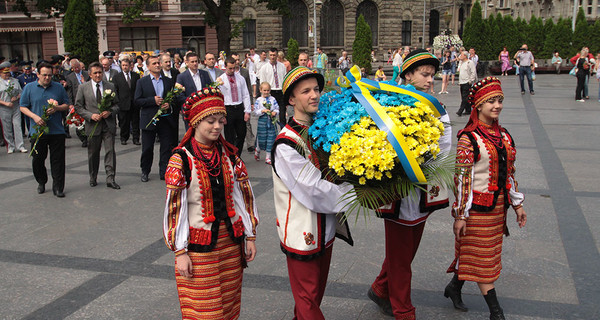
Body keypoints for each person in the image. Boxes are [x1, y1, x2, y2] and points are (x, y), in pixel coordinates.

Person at [368, 49, 452, 319]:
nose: (430, 80)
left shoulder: (436, 106)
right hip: (397, 190)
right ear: (407, 74)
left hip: (423, 186)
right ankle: (403, 309)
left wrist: (425, 160)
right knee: (401, 255)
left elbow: (445, 143)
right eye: (424, 74)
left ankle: (381, 287)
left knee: (408, 248)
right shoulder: (388, 103)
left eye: (432, 75)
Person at [163, 87, 259, 320]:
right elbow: (175, 208)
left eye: (220, 121)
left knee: (229, 304)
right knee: (205, 310)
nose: (217, 126)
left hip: (230, 244)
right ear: (195, 122)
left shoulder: (230, 155)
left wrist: (250, 234)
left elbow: (243, 196)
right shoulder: (181, 159)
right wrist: (180, 251)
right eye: (210, 121)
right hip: (198, 248)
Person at [272, 66, 356, 319]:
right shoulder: (286, 144)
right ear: (291, 99)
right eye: (306, 91)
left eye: (317, 89)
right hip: (303, 232)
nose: (314, 95)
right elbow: (314, 190)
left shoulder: (323, 129)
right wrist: (358, 192)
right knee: (308, 300)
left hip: (326, 227)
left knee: (313, 295)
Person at [444, 76, 526, 320]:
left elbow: (509, 172)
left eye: (499, 100)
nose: (497, 105)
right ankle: (496, 313)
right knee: (482, 260)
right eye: (491, 101)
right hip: (476, 210)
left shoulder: (505, 135)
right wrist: (460, 215)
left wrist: (518, 204)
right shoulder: (468, 139)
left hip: (498, 208)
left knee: (477, 255)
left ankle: (454, 287)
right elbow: (462, 181)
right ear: (478, 105)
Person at [20, 62, 70, 197]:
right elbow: (23, 106)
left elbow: (66, 105)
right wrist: (34, 117)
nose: (47, 78)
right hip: (38, 130)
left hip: (56, 130)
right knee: (37, 159)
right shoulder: (29, 88)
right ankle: (41, 180)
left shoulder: (58, 87)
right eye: (44, 75)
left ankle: (58, 187)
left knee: (58, 160)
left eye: (49, 75)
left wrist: (57, 108)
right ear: (38, 75)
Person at [135, 55, 182, 182]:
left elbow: (173, 98)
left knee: (166, 147)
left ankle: (164, 171)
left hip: (165, 119)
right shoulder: (142, 82)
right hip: (149, 119)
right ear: (148, 66)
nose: (157, 65)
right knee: (147, 148)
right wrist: (152, 100)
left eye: (158, 63)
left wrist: (169, 103)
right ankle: (145, 171)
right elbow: (137, 100)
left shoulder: (167, 81)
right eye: (154, 63)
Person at [74, 61, 121, 190]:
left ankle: (110, 178)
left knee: (110, 152)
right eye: (95, 73)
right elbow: (78, 106)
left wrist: (110, 112)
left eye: (100, 72)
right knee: (93, 153)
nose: (98, 75)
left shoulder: (110, 86)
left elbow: (117, 104)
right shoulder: (83, 88)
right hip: (93, 125)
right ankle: (93, 176)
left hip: (107, 125)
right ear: (90, 74)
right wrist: (90, 115)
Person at [219, 57, 251, 157]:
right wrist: (222, 115)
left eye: (234, 68)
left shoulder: (240, 78)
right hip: (228, 109)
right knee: (229, 136)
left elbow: (246, 94)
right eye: (230, 68)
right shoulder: (221, 80)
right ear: (225, 67)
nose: (232, 70)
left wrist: (247, 111)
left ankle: (237, 155)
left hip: (239, 108)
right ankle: (230, 157)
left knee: (242, 134)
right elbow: (219, 98)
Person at [113, 58, 141, 145]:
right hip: (123, 104)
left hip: (134, 103)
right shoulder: (117, 77)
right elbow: (115, 90)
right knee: (124, 122)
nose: (125, 67)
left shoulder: (136, 76)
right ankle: (124, 138)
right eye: (123, 65)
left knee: (135, 122)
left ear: (130, 66)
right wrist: (117, 102)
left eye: (126, 65)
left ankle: (136, 138)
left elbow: (138, 89)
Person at [0, 61, 26, 153]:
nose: (7, 74)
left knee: (17, 125)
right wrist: (5, 103)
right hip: (4, 107)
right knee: (7, 128)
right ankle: (10, 146)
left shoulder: (15, 81)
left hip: (15, 106)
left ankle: (20, 145)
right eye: (5, 73)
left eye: (8, 72)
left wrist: (17, 97)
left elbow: (21, 92)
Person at [257, 48, 286, 126]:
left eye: (274, 55)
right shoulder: (264, 68)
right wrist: (263, 96)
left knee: (282, 114)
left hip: (280, 91)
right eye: (271, 55)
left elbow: (284, 80)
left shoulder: (282, 66)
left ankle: (283, 132)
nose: (272, 57)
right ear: (268, 56)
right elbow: (262, 83)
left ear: (277, 55)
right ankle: (272, 131)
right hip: (270, 92)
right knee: (271, 114)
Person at [65, 58, 90, 147]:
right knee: (78, 121)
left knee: (87, 119)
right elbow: (69, 91)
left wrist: (85, 82)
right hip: (77, 101)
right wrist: (70, 103)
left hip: (87, 101)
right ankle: (83, 139)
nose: (76, 69)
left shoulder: (87, 74)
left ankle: (88, 137)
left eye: (77, 67)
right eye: (74, 68)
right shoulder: (70, 77)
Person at [253, 82, 279, 164]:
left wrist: (275, 112)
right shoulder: (258, 100)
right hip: (262, 121)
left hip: (271, 121)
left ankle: (268, 157)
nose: (266, 92)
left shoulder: (273, 99)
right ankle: (257, 149)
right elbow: (255, 111)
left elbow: (277, 108)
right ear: (260, 90)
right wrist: (263, 110)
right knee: (261, 137)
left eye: (268, 90)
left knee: (271, 138)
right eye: (264, 90)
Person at [457, 51, 477, 117]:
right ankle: (468, 110)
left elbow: (473, 72)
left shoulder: (470, 62)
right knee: (464, 96)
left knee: (464, 97)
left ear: (465, 56)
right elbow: (459, 70)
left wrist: (471, 80)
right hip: (461, 82)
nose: (460, 56)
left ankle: (460, 110)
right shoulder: (461, 63)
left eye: (461, 55)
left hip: (467, 82)